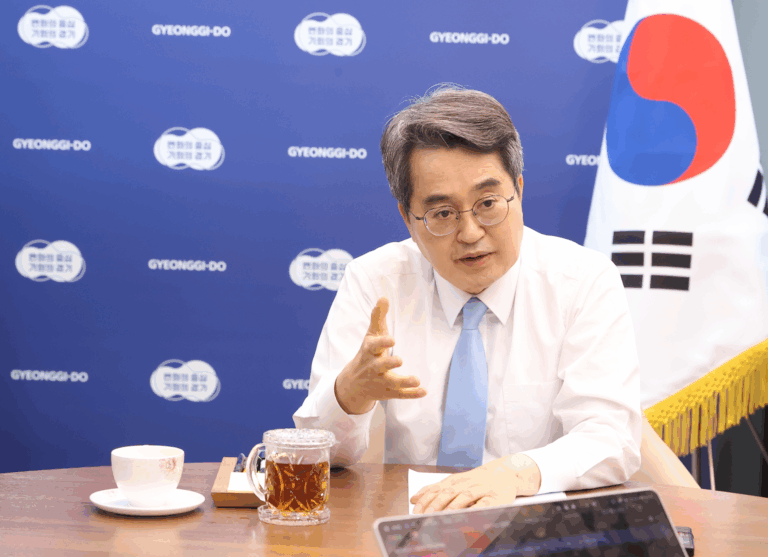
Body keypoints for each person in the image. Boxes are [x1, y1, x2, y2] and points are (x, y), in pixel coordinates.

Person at [294, 85, 641, 513]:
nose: (471, 232)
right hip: (412, 524)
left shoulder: (582, 282)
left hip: (535, 523)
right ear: (408, 218)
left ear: (518, 190)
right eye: (442, 213)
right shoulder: (374, 281)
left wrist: (513, 473)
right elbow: (317, 453)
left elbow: (610, 438)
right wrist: (350, 392)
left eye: (488, 203)